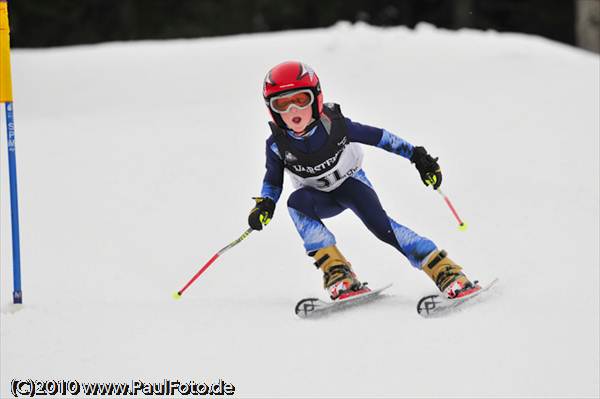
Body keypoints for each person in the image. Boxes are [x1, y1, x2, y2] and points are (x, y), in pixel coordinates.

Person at [248, 61, 477, 301]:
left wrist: (418, 157)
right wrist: (265, 204)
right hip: (317, 197)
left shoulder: (335, 126)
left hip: (351, 185)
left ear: (315, 99)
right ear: (272, 111)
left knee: (383, 228)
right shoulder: (276, 145)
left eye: (301, 100)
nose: (293, 110)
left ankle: (446, 271)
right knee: (296, 203)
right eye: (282, 104)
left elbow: (380, 137)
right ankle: (338, 273)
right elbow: (273, 181)